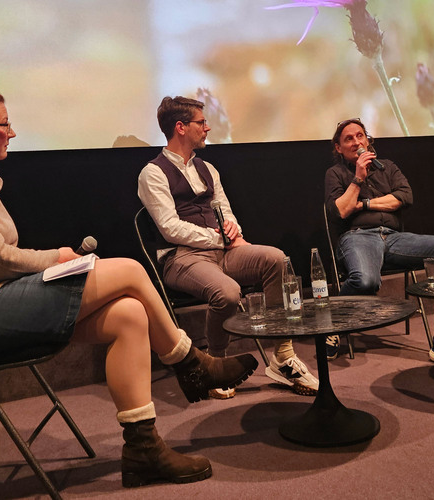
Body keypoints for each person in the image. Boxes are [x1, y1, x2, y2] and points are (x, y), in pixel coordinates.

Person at [0, 87, 259, 488]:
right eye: (5, 124)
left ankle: (143, 449)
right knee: (127, 269)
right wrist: (56, 258)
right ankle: (191, 363)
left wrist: (53, 261)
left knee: (129, 314)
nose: (12, 132)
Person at [137, 96, 319, 398]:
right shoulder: (152, 173)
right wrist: (219, 238)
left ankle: (282, 355)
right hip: (181, 258)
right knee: (228, 293)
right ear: (181, 127)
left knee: (276, 259)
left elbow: (224, 209)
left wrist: (234, 230)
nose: (207, 127)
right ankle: (216, 364)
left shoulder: (207, 168)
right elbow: (170, 228)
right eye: (201, 122)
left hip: (223, 252)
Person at [324, 118, 434, 367]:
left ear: (368, 140)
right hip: (357, 237)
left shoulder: (387, 167)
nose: (357, 142)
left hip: (395, 238)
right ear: (338, 147)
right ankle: (332, 326)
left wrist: (364, 204)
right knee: (366, 280)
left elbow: (404, 197)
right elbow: (341, 211)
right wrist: (358, 178)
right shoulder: (336, 174)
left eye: (360, 136)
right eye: (349, 139)